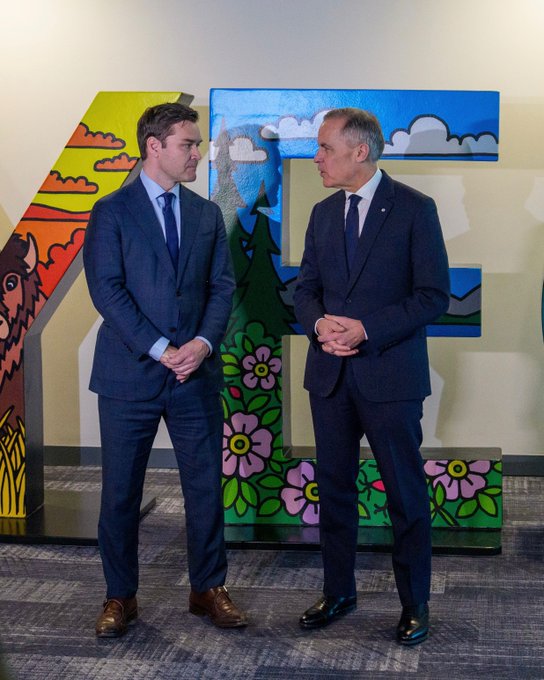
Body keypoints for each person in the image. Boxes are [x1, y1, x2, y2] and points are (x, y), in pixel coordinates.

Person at [84, 102, 247, 637]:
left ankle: (208, 589)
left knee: (204, 488)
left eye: (197, 144)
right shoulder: (111, 211)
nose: (198, 153)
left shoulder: (205, 214)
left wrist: (200, 344)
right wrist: (161, 349)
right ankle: (120, 596)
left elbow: (222, 287)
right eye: (188, 144)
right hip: (130, 375)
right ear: (154, 146)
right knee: (121, 493)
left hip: (194, 373)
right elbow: (107, 290)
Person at [293, 107, 450, 645]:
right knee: (334, 490)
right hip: (329, 376)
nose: (316, 157)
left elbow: (433, 296)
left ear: (359, 151)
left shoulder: (414, 209)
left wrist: (366, 330)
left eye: (325, 148)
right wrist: (320, 325)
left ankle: (414, 602)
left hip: (390, 378)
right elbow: (306, 289)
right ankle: (339, 591)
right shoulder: (321, 214)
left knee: (405, 494)